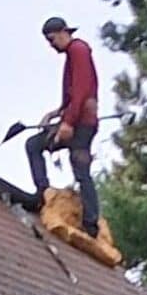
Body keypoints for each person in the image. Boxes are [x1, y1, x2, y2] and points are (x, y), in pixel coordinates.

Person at [28, 16, 101, 235]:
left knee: (78, 167)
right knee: (36, 145)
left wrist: (67, 123)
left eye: (52, 40)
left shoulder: (78, 50)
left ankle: (90, 221)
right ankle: (44, 193)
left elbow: (81, 90)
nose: (51, 45)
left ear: (63, 33)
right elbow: (74, 95)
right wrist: (57, 113)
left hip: (81, 124)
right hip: (79, 121)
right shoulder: (73, 53)